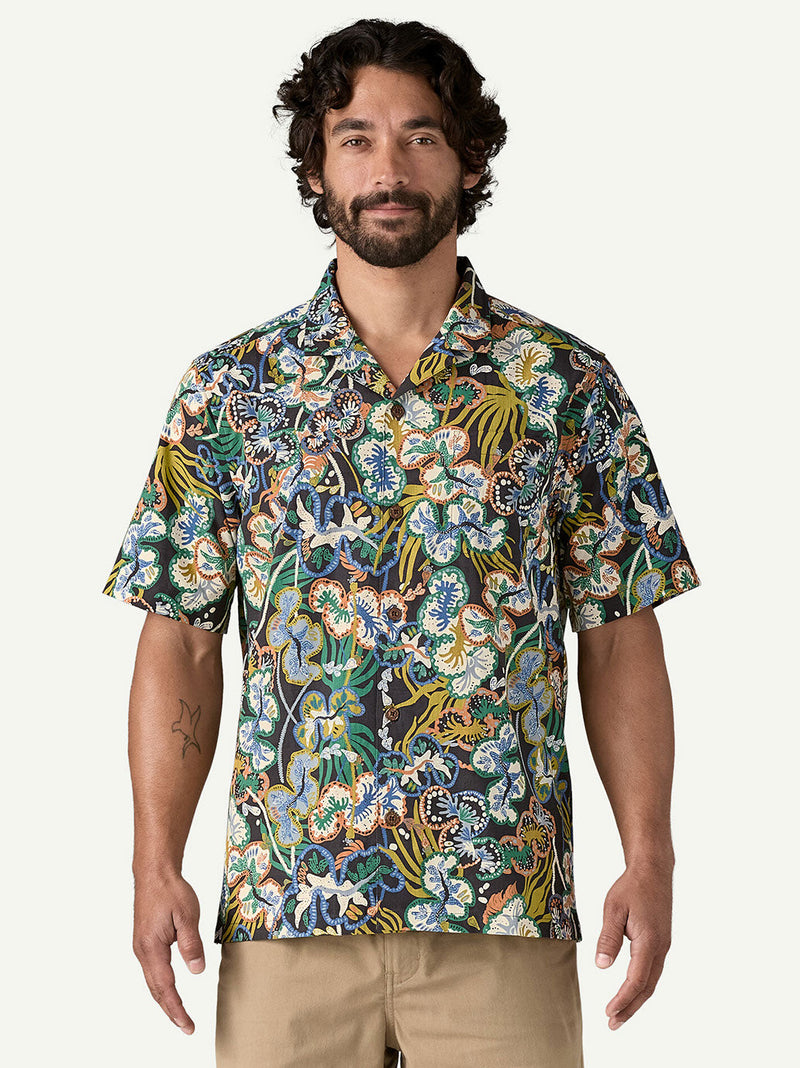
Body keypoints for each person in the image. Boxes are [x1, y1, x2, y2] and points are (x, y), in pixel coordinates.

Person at [102, 17, 702, 1067]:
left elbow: (618, 635)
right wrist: (155, 861)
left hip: (502, 911)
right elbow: (181, 640)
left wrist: (648, 855)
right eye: (356, 138)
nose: (389, 169)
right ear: (315, 168)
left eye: (421, 136)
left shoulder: (562, 386)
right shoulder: (231, 392)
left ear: (468, 160)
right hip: (289, 909)